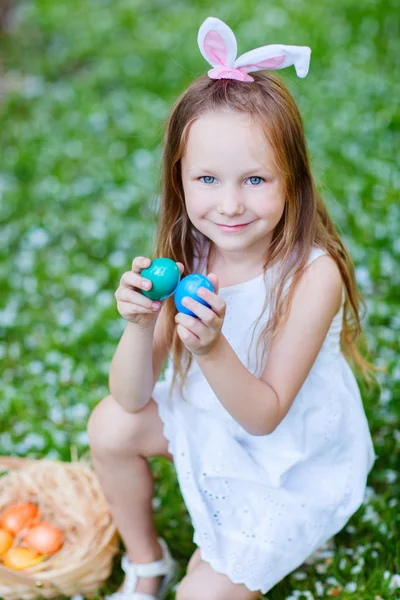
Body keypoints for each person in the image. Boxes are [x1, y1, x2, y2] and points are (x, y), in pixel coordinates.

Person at [87, 16, 379, 600]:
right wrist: (139, 328)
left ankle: (268, 537)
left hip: (286, 460)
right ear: (181, 179)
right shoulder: (189, 249)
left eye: (254, 179)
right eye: (207, 178)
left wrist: (213, 348)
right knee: (110, 425)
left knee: (205, 596)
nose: (228, 205)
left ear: (291, 180)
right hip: (211, 423)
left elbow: (264, 416)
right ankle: (147, 565)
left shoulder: (312, 275)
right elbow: (130, 398)